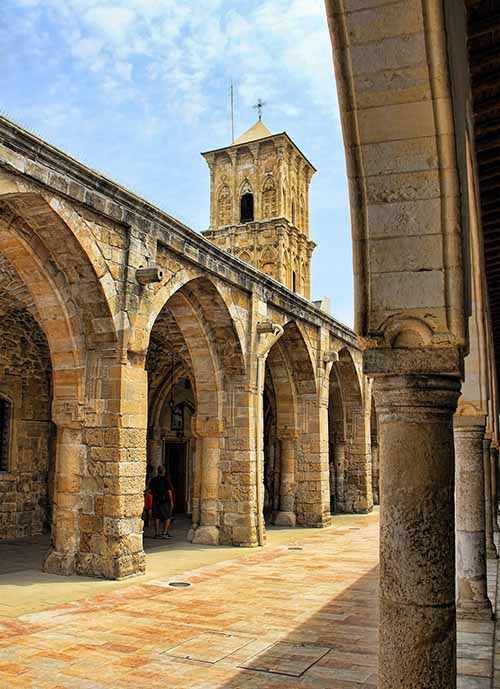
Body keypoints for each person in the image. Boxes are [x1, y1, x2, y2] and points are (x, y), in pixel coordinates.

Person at [148, 465, 173, 539]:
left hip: (155, 500)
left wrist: (155, 495)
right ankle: (164, 532)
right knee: (168, 517)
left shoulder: (153, 480)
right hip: (164, 501)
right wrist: (171, 501)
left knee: (157, 517)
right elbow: (169, 491)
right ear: (164, 471)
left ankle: (157, 533)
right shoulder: (166, 480)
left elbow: (150, 491)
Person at [143, 463, 154, 528]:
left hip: (145, 493)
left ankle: (145, 521)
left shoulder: (145, 476)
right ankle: (148, 521)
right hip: (149, 493)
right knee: (149, 508)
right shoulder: (150, 477)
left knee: (145, 508)